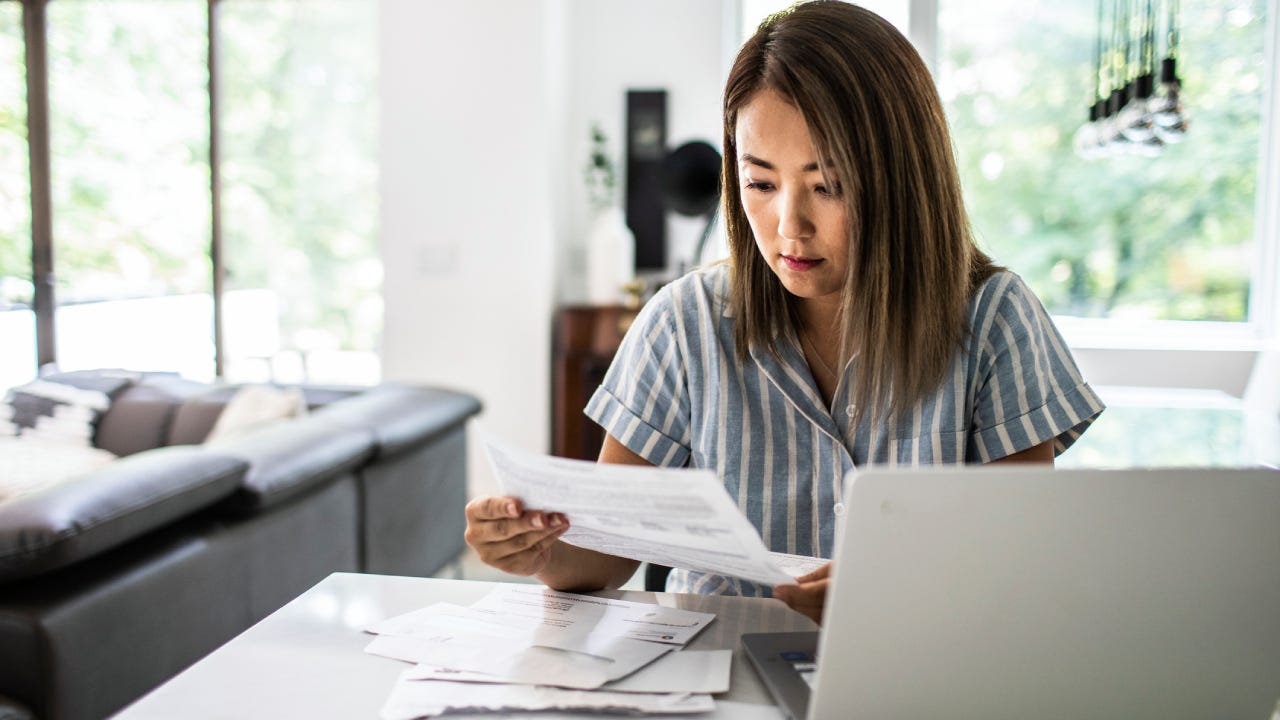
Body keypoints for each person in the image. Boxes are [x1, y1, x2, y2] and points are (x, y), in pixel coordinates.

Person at [464, 0, 1105, 624]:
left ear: (902, 179)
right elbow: (605, 555)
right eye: (761, 184)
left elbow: (1024, 563)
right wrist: (540, 548)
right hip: (713, 678)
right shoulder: (685, 323)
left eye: (828, 187)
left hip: (919, 673)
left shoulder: (995, 321)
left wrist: (895, 589)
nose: (788, 226)